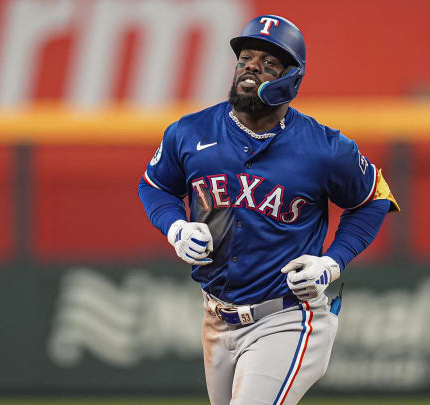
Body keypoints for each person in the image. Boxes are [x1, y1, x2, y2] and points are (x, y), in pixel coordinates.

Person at [138, 14, 400, 405]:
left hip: (288, 315)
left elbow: (373, 199)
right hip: (216, 317)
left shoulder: (325, 147)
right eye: (245, 59)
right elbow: (155, 187)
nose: (251, 68)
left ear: (292, 79)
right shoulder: (189, 133)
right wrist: (175, 228)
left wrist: (333, 262)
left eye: (268, 63)